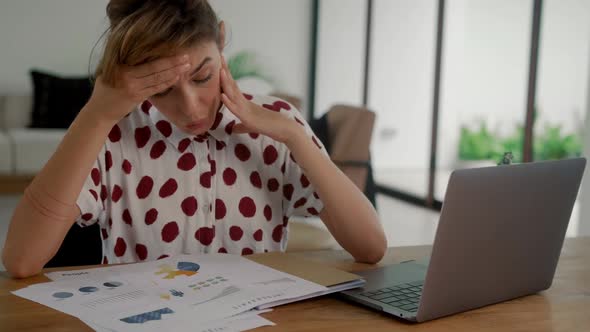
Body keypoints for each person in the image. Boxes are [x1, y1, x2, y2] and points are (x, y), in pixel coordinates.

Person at [2, 0, 386, 278]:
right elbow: (20, 261)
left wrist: (294, 137)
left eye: (203, 77)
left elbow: (371, 247)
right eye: (162, 89)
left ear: (221, 42)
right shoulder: (112, 132)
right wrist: (94, 115)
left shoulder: (278, 123)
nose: (189, 108)